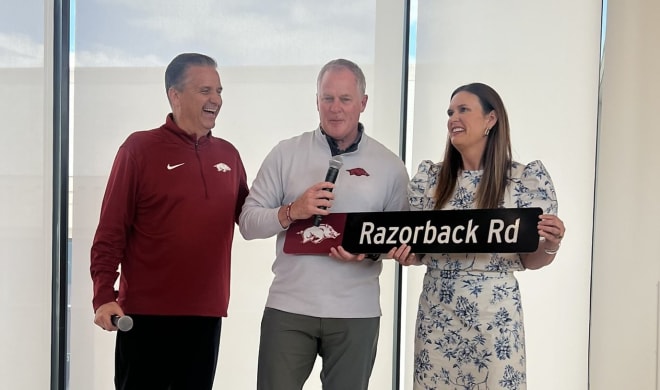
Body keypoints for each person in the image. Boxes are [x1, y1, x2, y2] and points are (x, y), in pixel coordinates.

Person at [239, 58, 410, 390]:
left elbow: (403, 241)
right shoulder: (285, 153)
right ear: (316, 101)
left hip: (356, 312)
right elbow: (247, 223)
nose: (335, 108)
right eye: (327, 98)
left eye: (345, 99)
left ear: (362, 103)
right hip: (289, 307)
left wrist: (370, 252)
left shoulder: (389, 165)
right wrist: (292, 211)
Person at [388, 82, 566, 390]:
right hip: (437, 317)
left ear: (491, 119)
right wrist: (409, 255)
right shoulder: (430, 181)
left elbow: (529, 261)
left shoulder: (522, 181)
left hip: (495, 321)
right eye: (450, 112)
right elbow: (421, 250)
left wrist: (551, 244)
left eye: (463, 110)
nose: (452, 118)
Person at [90, 52, 249, 390]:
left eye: (219, 91)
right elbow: (110, 231)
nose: (216, 100)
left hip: (205, 317)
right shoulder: (139, 148)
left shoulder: (229, 155)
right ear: (174, 95)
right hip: (146, 318)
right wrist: (103, 294)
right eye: (205, 90)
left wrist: (296, 209)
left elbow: (252, 217)